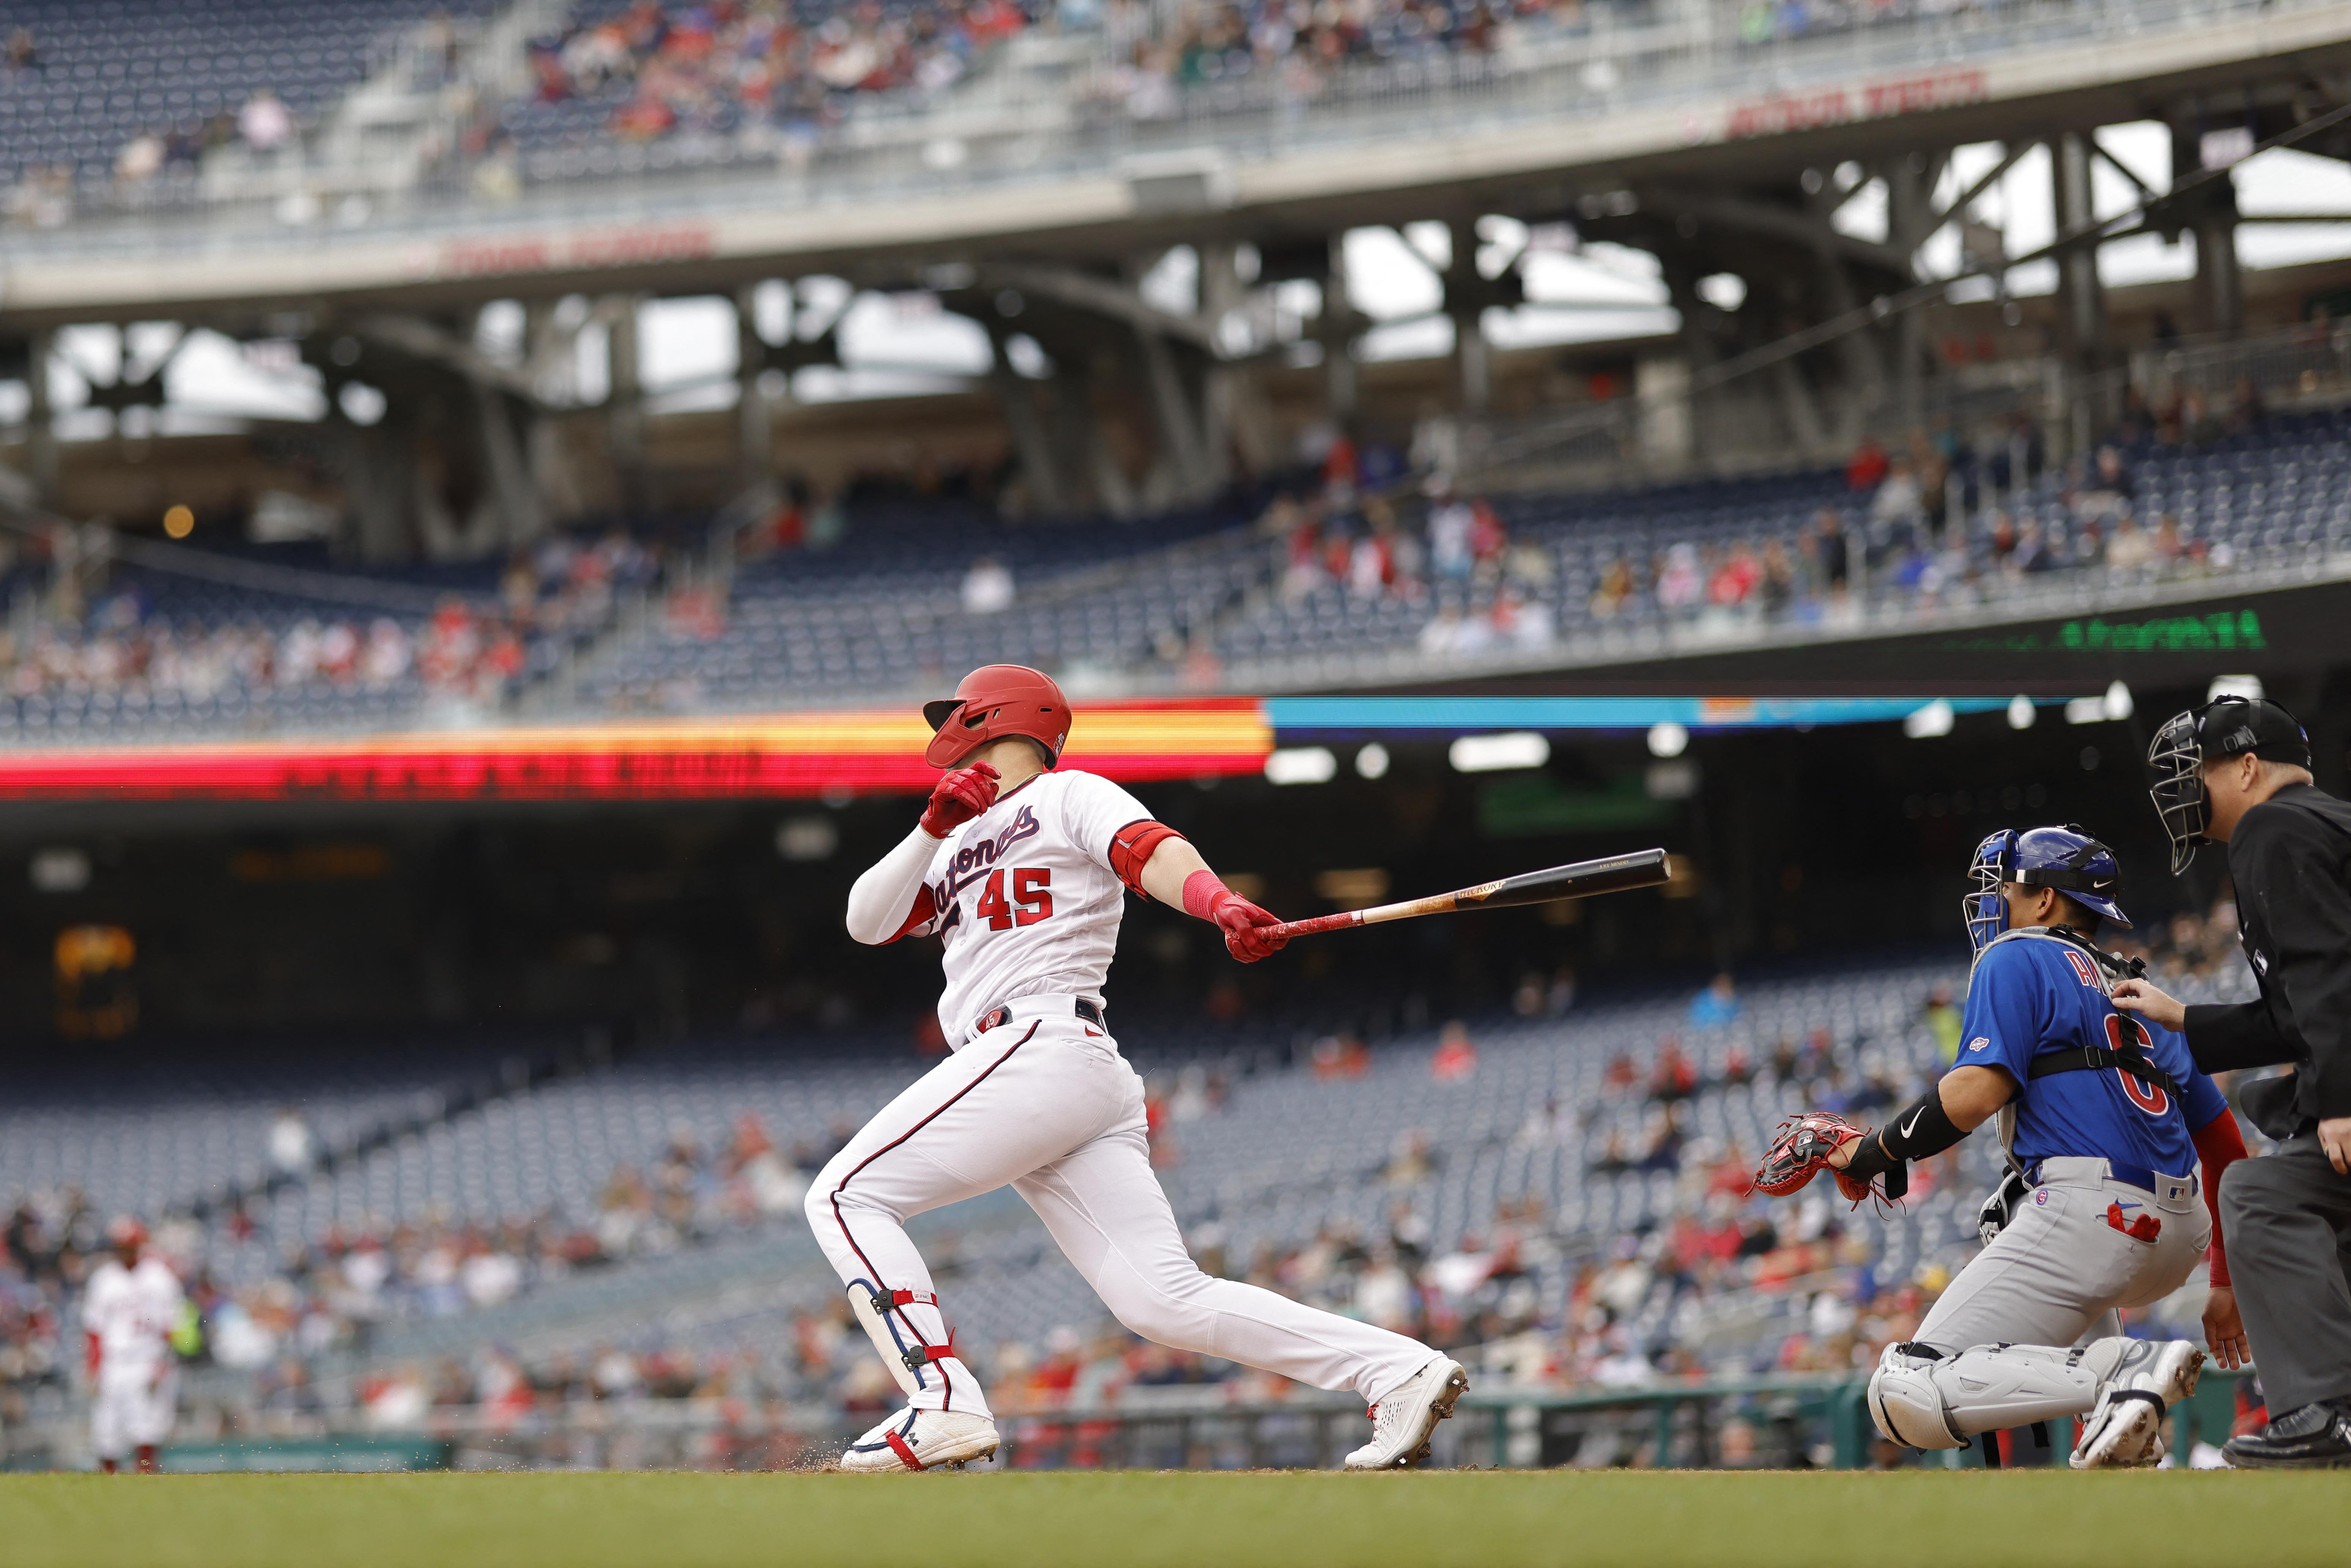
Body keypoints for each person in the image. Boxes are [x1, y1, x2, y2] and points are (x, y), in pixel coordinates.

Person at [814, 664, 1466, 1471]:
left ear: (991, 717)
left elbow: (1151, 849)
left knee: (844, 1192)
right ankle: (1396, 1367)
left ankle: (942, 1401)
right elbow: (865, 923)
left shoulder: (1068, 793)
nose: (945, 732)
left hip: (1038, 1039)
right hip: (1047, 1073)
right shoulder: (949, 836)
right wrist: (927, 830)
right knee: (1161, 1299)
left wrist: (1217, 900)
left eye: (958, 716)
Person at [1757, 825, 2247, 1467]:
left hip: (2095, 1216)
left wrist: (1871, 1150)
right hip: (2181, 1233)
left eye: (2006, 887)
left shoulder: (2016, 954)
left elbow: (1974, 1094)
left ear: (2044, 899)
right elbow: (2226, 1145)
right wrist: (2225, 1279)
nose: (1995, 902)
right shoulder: (2137, 987)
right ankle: (2130, 1436)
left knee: (1902, 1391)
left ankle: (2117, 1371)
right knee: (2010, 1204)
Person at [2114, 696, 2351, 1466]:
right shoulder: (2325, 821)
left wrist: (2343, 1098)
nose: (2188, 789)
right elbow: (2292, 1013)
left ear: (2247, 767)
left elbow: (2326, 975)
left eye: (2200, 771)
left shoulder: (2271, 828)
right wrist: (2184, 1017)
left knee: (2256, 1194)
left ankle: (2325, 1411)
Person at [81, 1218, 184, 1474]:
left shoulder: (160, 1277)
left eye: (129, 1245)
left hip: (147, 1357)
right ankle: (108, 1477)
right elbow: (94, 1328)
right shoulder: (103, 1279)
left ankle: (146, 1473)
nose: (124, 1250)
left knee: (147, 1424)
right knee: (107, 1425)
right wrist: (93, 1367)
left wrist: (163, 1363)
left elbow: (172, 1325)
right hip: (114, 1360)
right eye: (120, 1246)